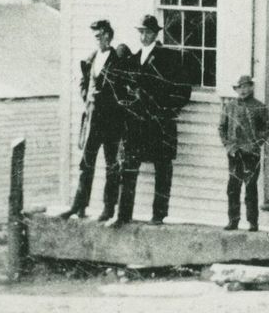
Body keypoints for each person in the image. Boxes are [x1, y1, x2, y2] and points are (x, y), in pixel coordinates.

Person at [109, 13, 192, 226]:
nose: (144, 36)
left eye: (148, 32)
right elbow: (120, 90)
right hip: (135, 125)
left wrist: (165, 110)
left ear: (156, 34)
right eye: (141, 32)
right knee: (128, 167)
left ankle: (159, 215)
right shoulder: (132, 60)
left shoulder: (169, 58)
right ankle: (123, 215)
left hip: (159, 123)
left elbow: (183, 90)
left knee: (163, 168)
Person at [56, 19, 130, 219]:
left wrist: (113, 103)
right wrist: (87, 98)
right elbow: (84, 82)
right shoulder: (90, 59)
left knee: (111, 164)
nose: (97, 39)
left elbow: (125, 88)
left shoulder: (118, 60)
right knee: (86, 163)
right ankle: (79, 206)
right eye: (95, 36)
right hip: (93, 119)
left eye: (100, 35)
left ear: (108, 35)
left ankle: (108, 208)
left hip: (112, 121)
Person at [219, 73, 268, 231]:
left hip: (251, 154)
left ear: (251, 87)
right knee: (233, 188)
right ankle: (233, 220)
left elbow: (265, 129)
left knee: (250, 188)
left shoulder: (259, 107)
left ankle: (253, 222)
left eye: (246, 86)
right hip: (234, 153)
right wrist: (229, 146)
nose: (243, 90)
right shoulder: (230, 107)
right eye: (239, 88)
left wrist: (255, 144)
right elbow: (222, 128)